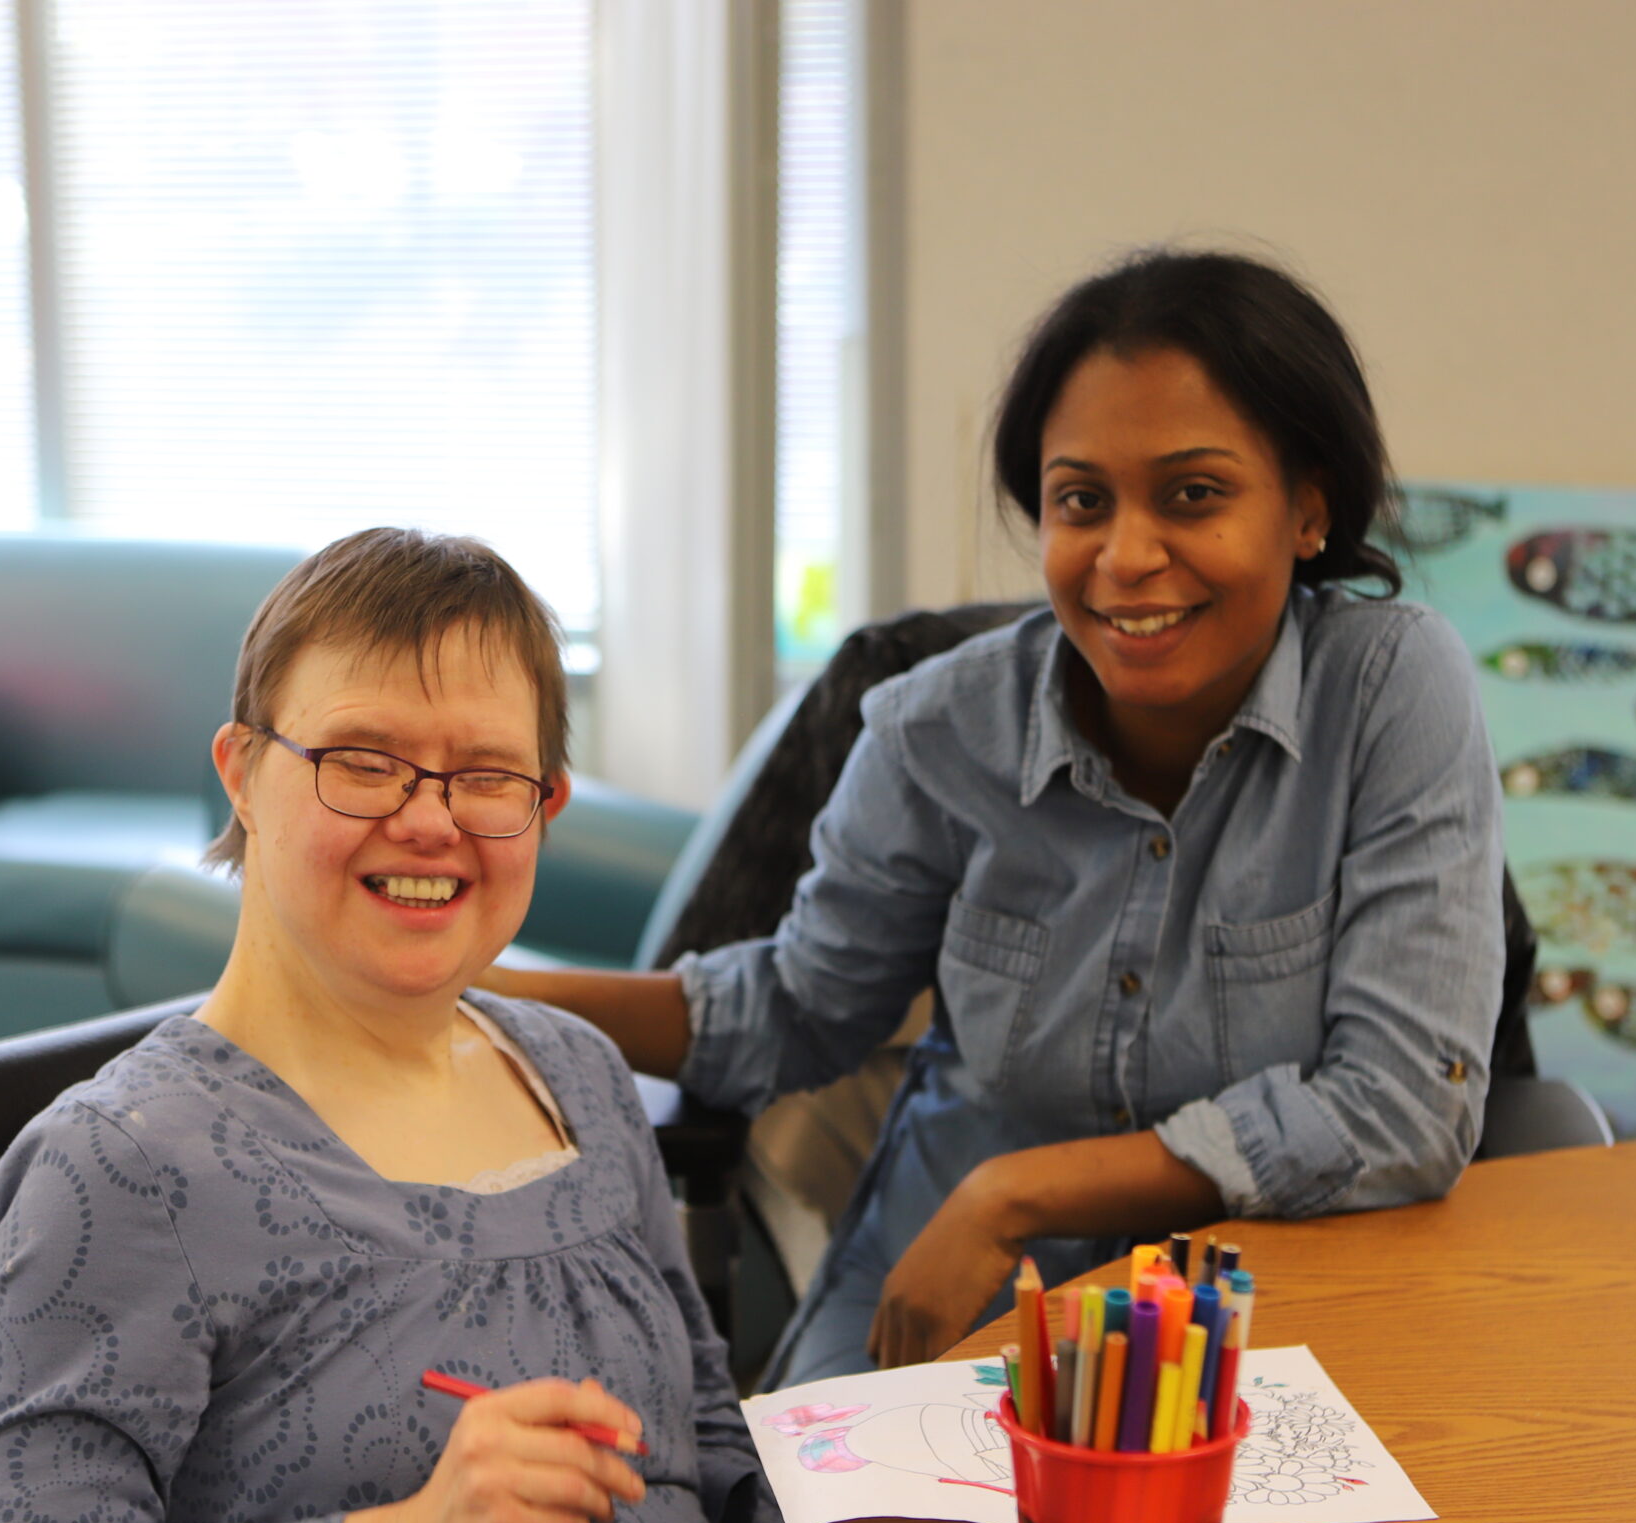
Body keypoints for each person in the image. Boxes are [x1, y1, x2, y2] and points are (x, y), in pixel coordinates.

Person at [491, 249, 1505, 1383]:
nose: (1125, 556)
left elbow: (1403, 1103)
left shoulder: (1390, 688)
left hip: (1264, 1308)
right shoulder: (935, 727)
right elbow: (798, 1009)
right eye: (1082, 501)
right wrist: (486, 999)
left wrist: (1020, 1193)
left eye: (1193, 494)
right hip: (946, 1292)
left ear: (1307, 508)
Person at [0, 529, 781, 1523]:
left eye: (487, 775)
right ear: (241, 772)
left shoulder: (581, 1078)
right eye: (364, 760)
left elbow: (701, 1426)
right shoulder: (129, 1165)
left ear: (543, 805)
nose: (432, 822)